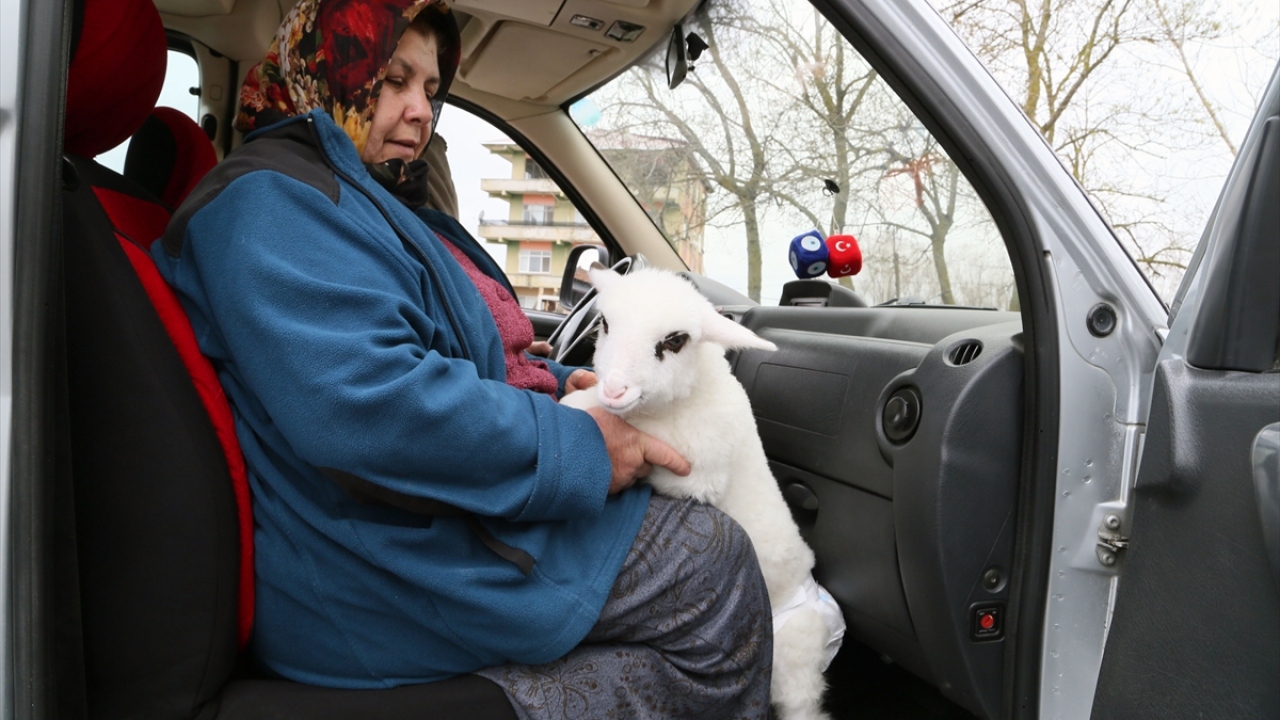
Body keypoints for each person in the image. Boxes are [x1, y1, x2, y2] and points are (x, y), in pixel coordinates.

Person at [151, 1, 773, 718]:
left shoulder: (359, 196)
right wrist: (579, 448)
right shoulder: (268, 204)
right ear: (329, 68)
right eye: (393, 80)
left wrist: (550, 388)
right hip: (385, 567)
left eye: (431, 88)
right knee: (712, 561)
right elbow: (371, 406)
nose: (420, 111)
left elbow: (430, 352)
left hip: (425, 523)